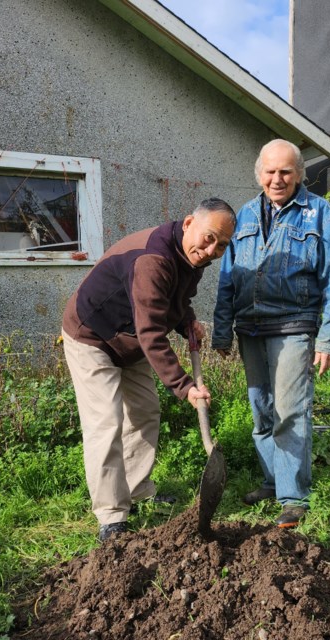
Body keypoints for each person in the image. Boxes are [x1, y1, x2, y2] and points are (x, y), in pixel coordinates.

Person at [61, 198, 237, 542]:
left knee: (144, 411)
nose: (212, 250)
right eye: (209, 238)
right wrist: (185, 386)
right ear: (189, 223)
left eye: (222, 245)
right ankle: (112, 516)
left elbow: (173, 299)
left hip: (130, 338)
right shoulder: (153, 260)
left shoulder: (190, 256)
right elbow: (151, 332)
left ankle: (137, 489)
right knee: (106, 421)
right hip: (93, 336)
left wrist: (186, 319)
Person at [212, 139, 330, 529]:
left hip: (294, 325)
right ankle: (274, 481)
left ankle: (293, 496)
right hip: (250, 327)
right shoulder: (245, 216)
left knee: (290, 410)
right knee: (261, 412)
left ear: (299, 174)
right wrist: (222, 332)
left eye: (285, 171)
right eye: (270, 172)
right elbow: (227, 280)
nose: (277, 179)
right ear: (259, 174)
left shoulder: (319, 214)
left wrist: (328, 338)